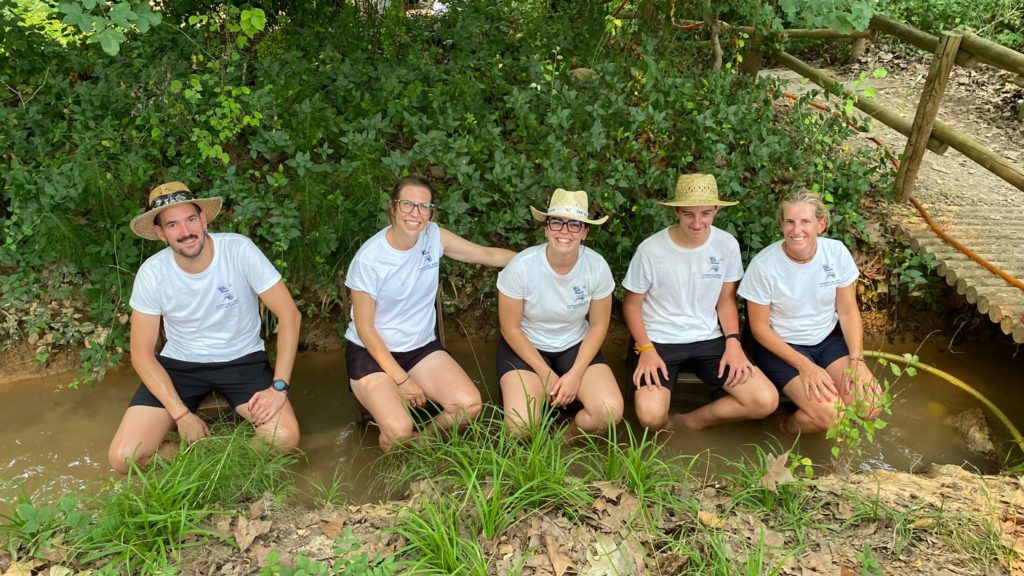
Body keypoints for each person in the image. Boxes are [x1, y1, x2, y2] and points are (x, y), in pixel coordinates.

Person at [108, 182, 301, 474]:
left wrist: (279, 387)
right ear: (160, 233)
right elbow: (141, 354)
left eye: (190, 219)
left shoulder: (238, 250)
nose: (186, 231)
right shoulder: (152, 273)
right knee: (124, 457)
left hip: (242, 360)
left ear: (204, 219)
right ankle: (207, 459)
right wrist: (182, 415)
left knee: (284, 438)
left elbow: (289, 316)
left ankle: (228, 465)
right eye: (172, 224)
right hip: (180, 365)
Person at [345, 176, 515, 450]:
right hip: (371, 353)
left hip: (420, 347)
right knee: (399, 430)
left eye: (424, 207)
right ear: (392, 208)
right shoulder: (369, 259)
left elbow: (487, 255)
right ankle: (398, 455)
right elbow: (365, 330)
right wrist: (402, 379)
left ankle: (422, 444)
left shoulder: (433, 236)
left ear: (431, 212)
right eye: (408, 205)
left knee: (469, 405)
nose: (416, 214)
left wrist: (540, 259)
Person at [623, 173, 778, 431]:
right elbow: (631, 305)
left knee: (765, 401)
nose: (697, 222)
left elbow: (725, 301)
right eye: (688, 214)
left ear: (716, 209)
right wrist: (646, 350)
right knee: (651, 418)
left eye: (705, 213)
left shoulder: (726, 244)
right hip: (659, 339)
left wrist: (733, 342)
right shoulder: (651, 250)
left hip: (709, 336)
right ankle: (665, 431)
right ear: (676, 212)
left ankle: (689, 422)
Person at [738, 189, 881, 435]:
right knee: (830, 416)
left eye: (805, 222)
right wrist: (806, 366)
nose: (796, 230)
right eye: (789, 222)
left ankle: (816, 420)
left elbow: (847, 311)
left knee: (870, 405)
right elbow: (759, 329)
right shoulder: (764, 265)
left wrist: (857, 361)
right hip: (782, 346)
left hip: (826, 339)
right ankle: (783, 426)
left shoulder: (835, 253)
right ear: (781, 225)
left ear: (821, 225)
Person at [497, 188, 624, 439]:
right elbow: (509, 328)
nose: (564, 231)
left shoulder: (596, 267)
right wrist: (546, 375)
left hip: (574, 343)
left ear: (585, 232)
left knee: (609, 412)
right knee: (520, 427)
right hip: (526, 344)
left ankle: (563, 440)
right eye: (557, 222)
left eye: (574, 225)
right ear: (546, 228)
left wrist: (575, 375)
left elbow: (598, 326)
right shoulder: (521, 266)